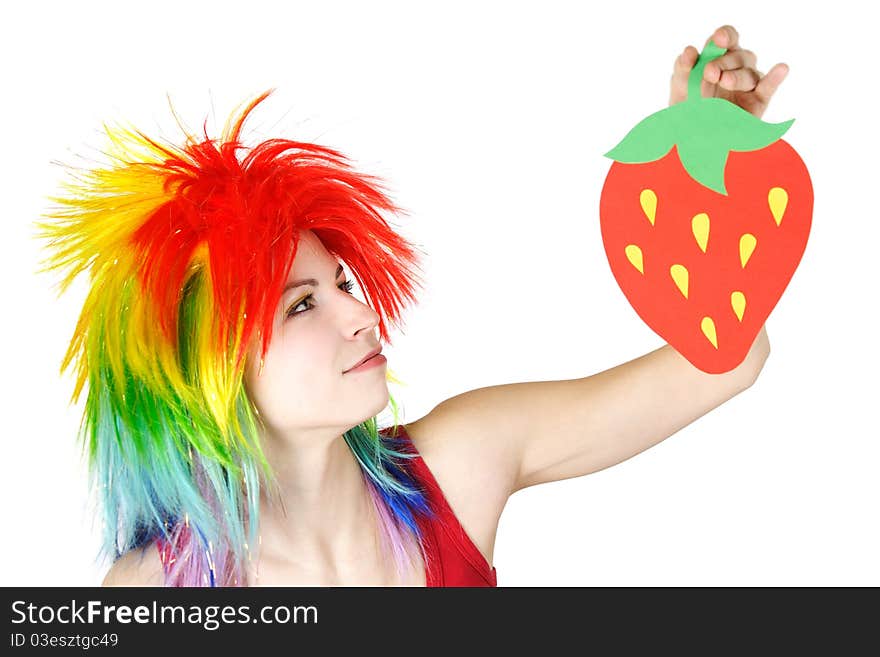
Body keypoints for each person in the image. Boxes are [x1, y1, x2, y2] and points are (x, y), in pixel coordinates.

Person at [37, 24, 779, 587]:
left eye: (342, 284)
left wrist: (707, 167)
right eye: (301, 305)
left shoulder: (459, 463)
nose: (360, 315)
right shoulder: (153, 591)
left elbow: (725, 362)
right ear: (207, 367)